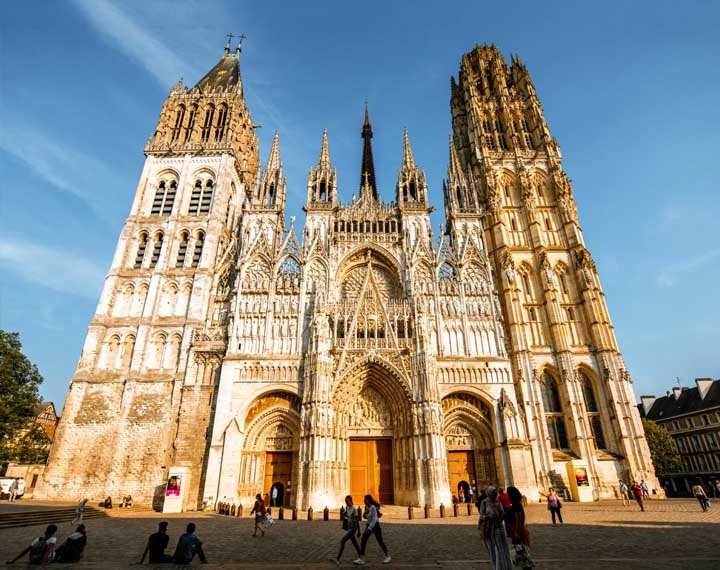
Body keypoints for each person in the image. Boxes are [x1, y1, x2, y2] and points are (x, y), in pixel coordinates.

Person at [478, 486, 512, 570]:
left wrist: (502, 514)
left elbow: (503, 513)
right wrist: (487, 516)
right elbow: (481, 516)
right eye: (493, 493)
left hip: (499, 527)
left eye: (495, 492)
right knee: (493, 548)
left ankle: (505, 566)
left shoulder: (498, 502)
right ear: (489, 494)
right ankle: (497, 567)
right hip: (489, 528)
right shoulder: (484, 502)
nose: (495, 494)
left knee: (502, 547)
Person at [354, 494, 391, 565]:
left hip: (375, 526)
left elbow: (374, 518)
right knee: (363, 540)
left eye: (365, 500)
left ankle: (388, 556)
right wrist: (365, 513)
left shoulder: (373, 507)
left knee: (380, 541)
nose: (364, 501)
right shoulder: (367, 507)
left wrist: (369, 528)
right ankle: (361, 558)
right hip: (369, 525)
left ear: (368, 500)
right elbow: (365, 517)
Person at [506, 486, 534, 569]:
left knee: (522, 550)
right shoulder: (516, 504)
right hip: (518, 529)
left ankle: (527, 567)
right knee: (521, 550)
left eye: (508, 493)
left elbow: (519, 517)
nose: (507, 495)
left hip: (518, 530)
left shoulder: (516, 505)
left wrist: (516, 532)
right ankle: (525, 566)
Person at [332, 495, 362, 565]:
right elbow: (346, 518)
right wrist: (344, 515)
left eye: (347, 501)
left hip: (353, 528)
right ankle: (361, 556)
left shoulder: (354, 509)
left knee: (343, 541)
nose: (346, 503)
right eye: (345, 501)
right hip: (349, 527)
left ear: (351, 500)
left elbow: (357, 521)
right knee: (355, 543)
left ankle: (337, 558)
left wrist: (359, 531)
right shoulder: (347, 508)